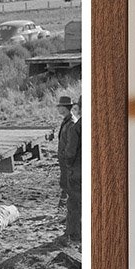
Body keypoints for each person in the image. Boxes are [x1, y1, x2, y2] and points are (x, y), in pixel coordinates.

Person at [58, 94, 82, 244]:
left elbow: (70, 152)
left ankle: (73, 234)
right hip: (77, 167)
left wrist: (68, 166)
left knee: (74, 202)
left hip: (75, 169)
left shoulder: (75, 126)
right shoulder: (73, 124)